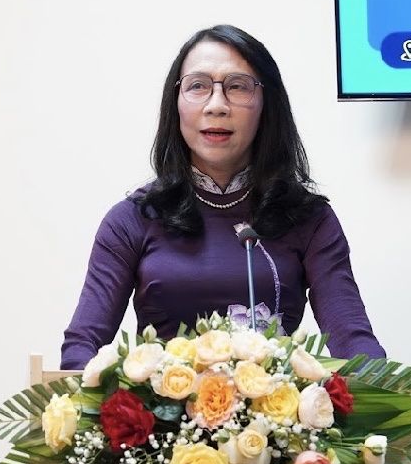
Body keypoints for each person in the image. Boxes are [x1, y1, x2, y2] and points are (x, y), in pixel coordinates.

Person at [60, 24, 384, 370]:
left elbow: (353, 340)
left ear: (266, 104)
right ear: (176, 103)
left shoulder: (309, 219)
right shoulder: (132, 219)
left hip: (274, 405)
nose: (216, 106)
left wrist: (386, 386)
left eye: (237, 86)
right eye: (198, 86)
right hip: (162, 404)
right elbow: (82, 347)